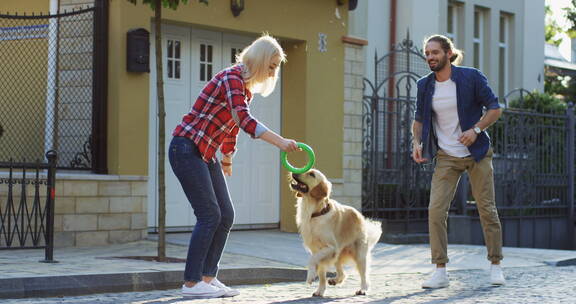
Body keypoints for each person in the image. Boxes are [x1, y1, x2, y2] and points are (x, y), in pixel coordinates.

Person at [169, 34, 299, 298]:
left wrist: (227, 157)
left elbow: (229, 127)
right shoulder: (232, 78)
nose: (273, 72)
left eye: (276, 67)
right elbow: (243, 120)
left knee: (226, 215)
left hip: (204, 152)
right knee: (209, 215)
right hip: (186, 148)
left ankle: (208, 277)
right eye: (271, 66)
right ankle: (192, 284)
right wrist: (281, 142)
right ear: (261, 60)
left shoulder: (244, 87)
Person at [411, 35, 505, 289]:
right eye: (427, 53)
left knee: (487, 209)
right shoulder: (424, 85)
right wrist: (417, 143)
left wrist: (475, 130)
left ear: (449, 53)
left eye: (435, 52)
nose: (430, 57)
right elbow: (419, 120)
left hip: (477, 153)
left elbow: (495, 109)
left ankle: (495, 264)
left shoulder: (471, 77)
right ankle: (440, 271)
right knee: (436, 211)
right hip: (446, 157)